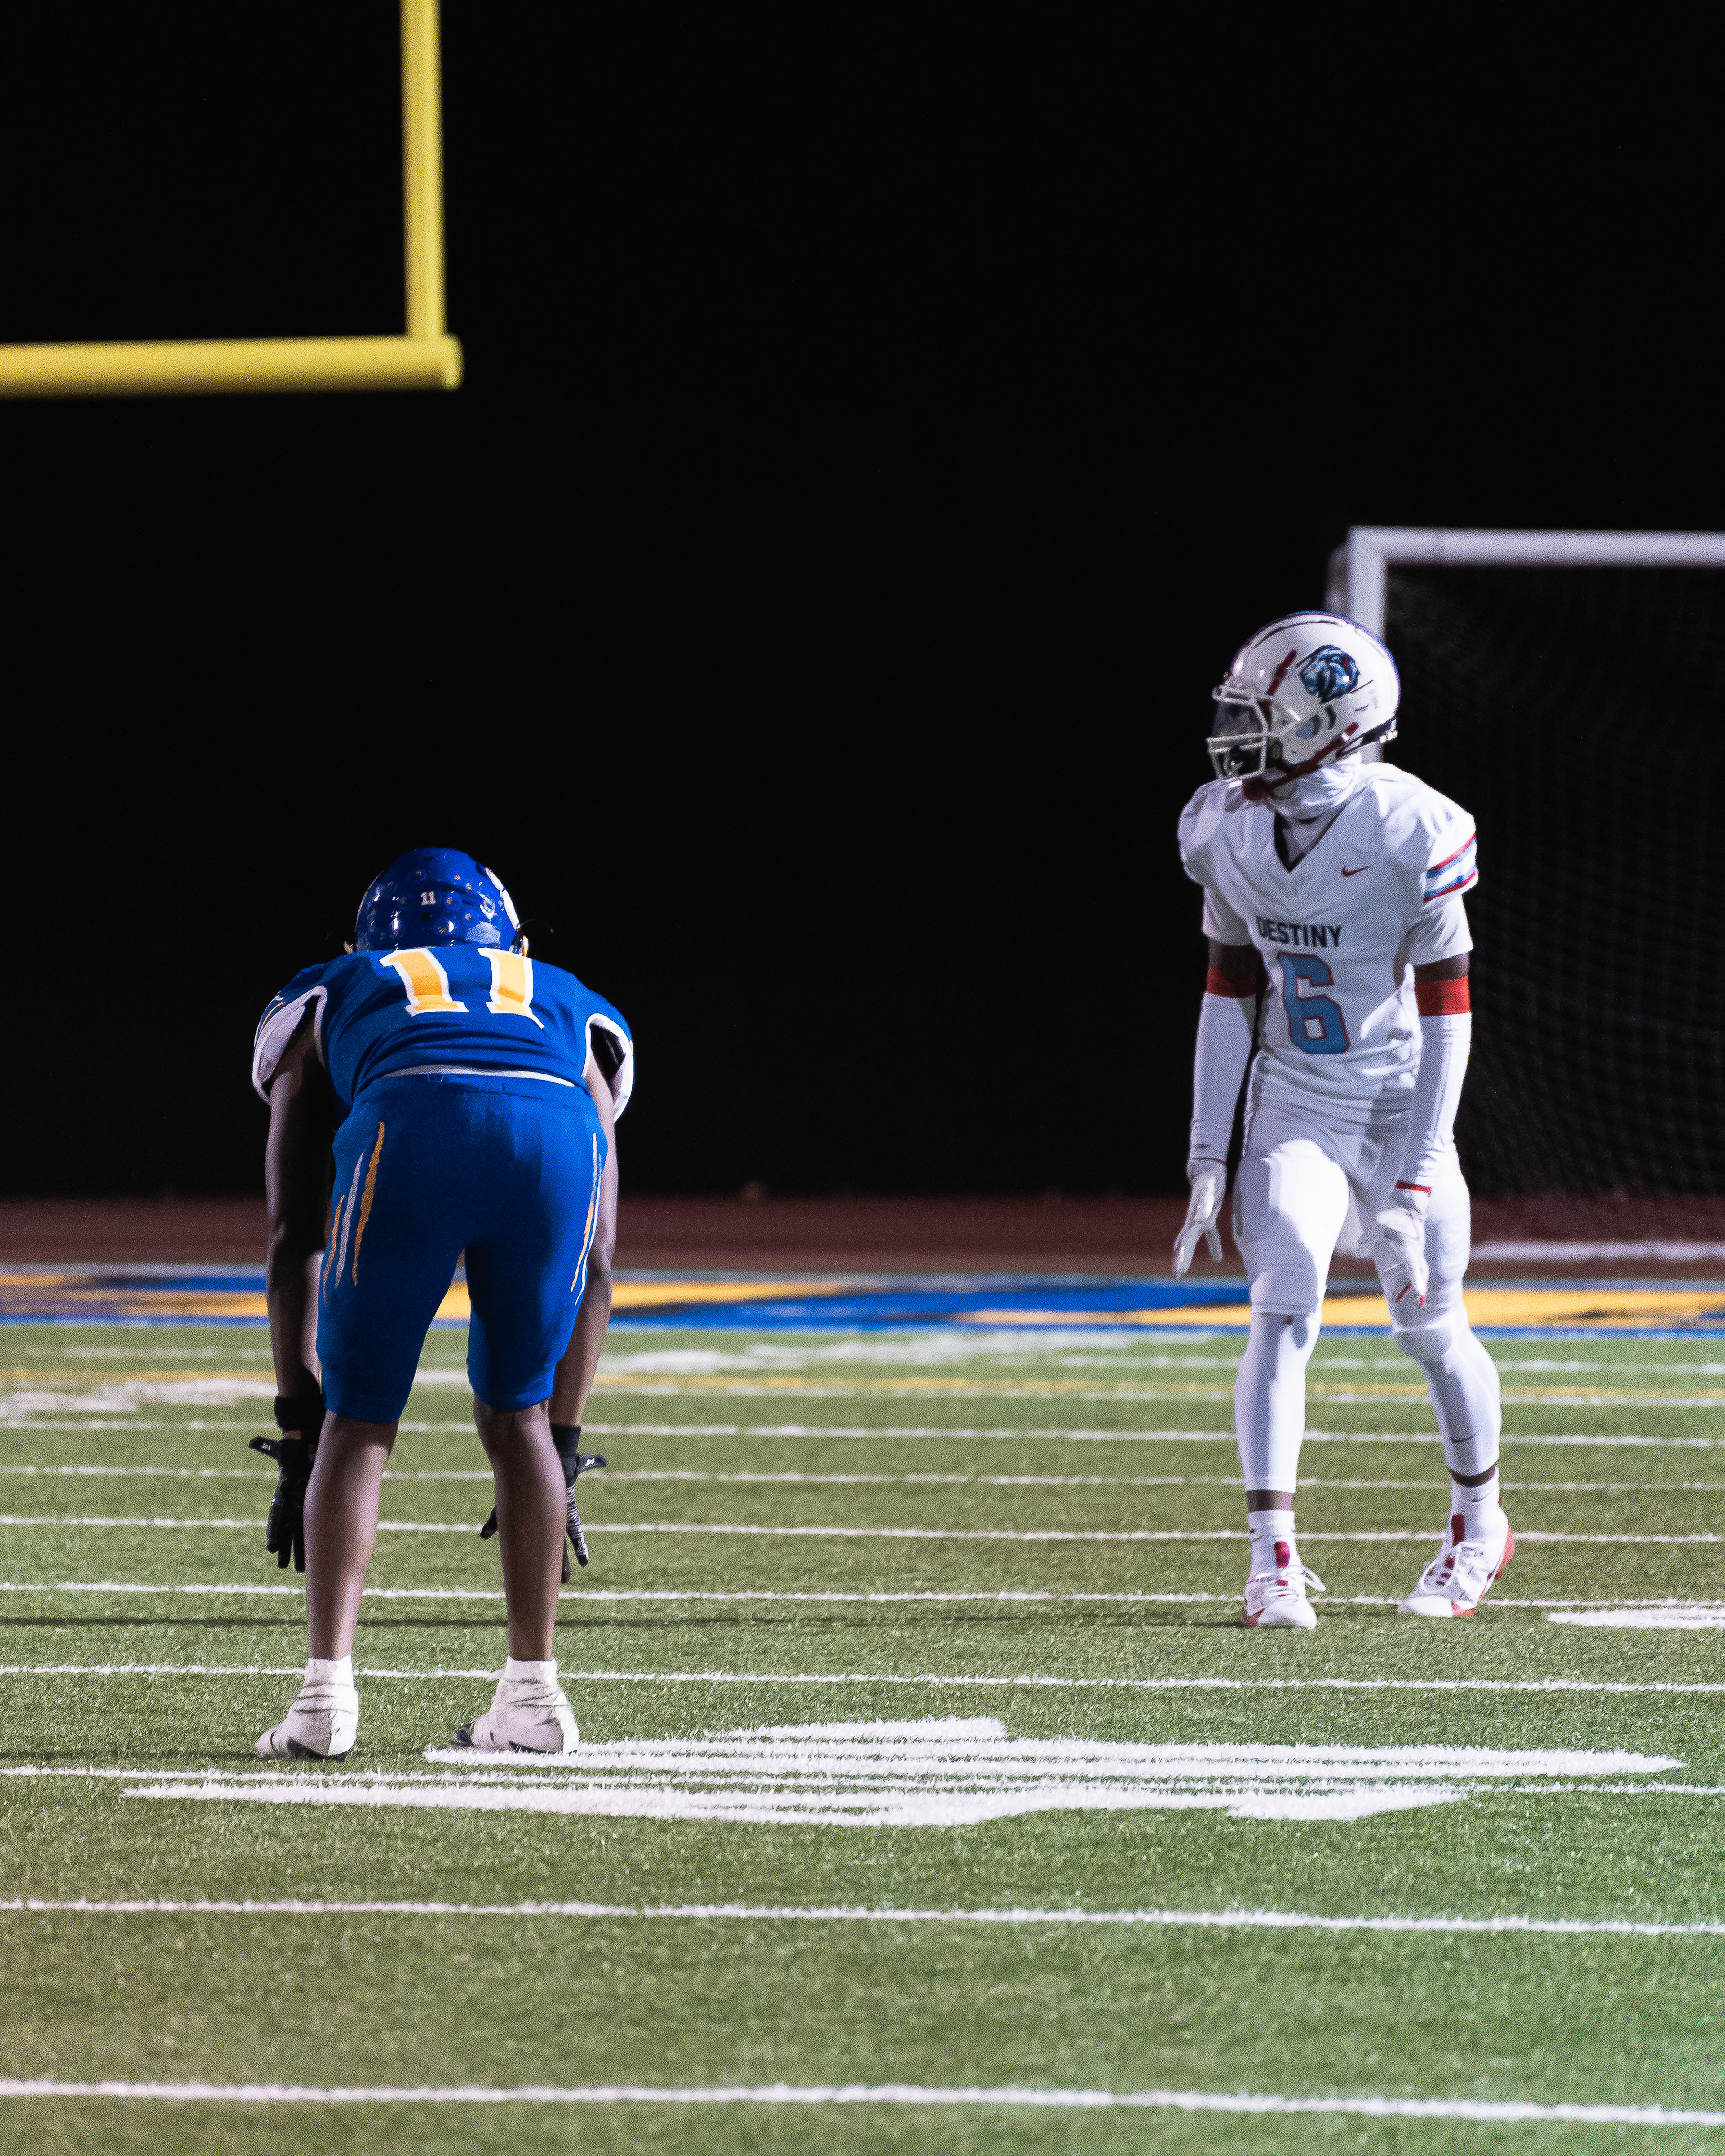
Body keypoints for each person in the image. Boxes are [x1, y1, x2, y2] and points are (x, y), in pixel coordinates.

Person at [248, 848, 632, 1753]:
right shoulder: (568, 996)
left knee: (357, 1422)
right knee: (520, 1420)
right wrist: (563, 1444)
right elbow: (601, 1259)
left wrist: (299, 1427)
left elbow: (291, 1232)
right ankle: (534, 1700)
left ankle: (324, 1703)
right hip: (553, 1137)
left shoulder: (337, 984)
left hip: (410, 1120)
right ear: (510, 941)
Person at [1172, 614, 1511, 1629]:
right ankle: (1271, 1562)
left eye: (1262, 715)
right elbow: (1228, 988)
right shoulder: (1226, 827)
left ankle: (1480, 1525)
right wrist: (1207, 1150)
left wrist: (1419, 1171)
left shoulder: (1411, 829)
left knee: (1431, 1327)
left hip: (1401, 1101)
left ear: (1332, 725)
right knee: (1281, 1308)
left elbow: (1450, 1014)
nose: (1239, 734)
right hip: (1298, 1097)